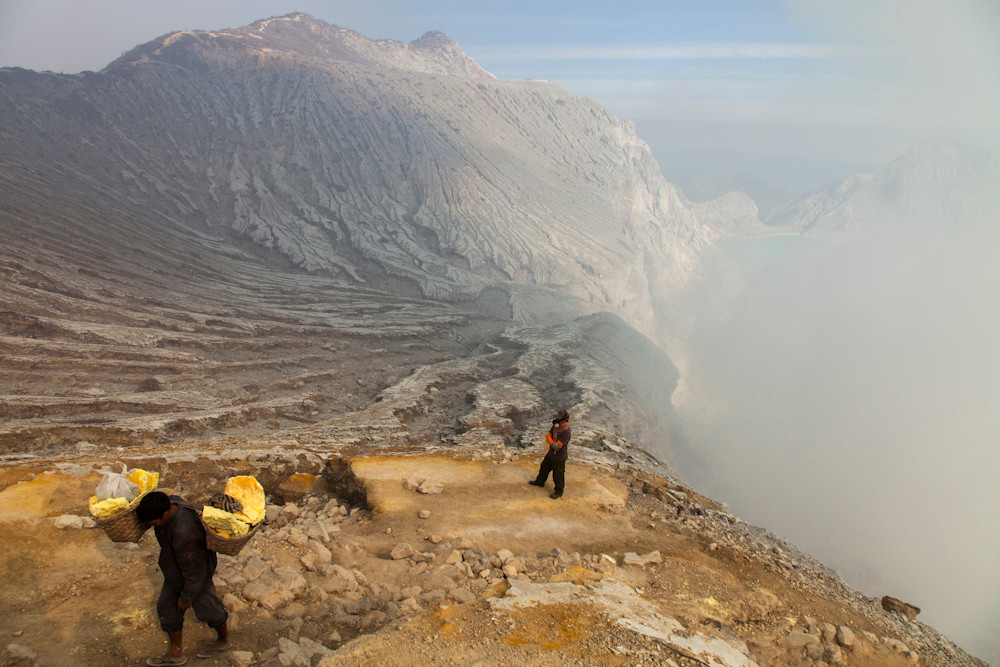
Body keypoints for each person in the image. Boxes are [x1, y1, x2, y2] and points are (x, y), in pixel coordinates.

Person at [135, 491, 232, 666]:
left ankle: (223, 639)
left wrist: (187, 597)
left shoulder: (184, 533)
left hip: (196, 577)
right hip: (175, 571)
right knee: (166, 607)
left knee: (208, 608)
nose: (152, 526)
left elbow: (194, 571)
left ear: (165, 514)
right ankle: (175, 652)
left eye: (154, 523)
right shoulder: (172, 503)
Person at [529, 410, 571, 499]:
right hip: (551, 453)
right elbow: (549, 434)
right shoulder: (556, 426)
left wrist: (550, 440)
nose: (556, 419)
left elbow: (557, 446)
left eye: (558, 418)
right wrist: (551, 441)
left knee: (558, 474)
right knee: (544, 467)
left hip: (559, 457)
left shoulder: (566, 432)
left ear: (564, 419)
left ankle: (559, 491)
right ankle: (540, 482)